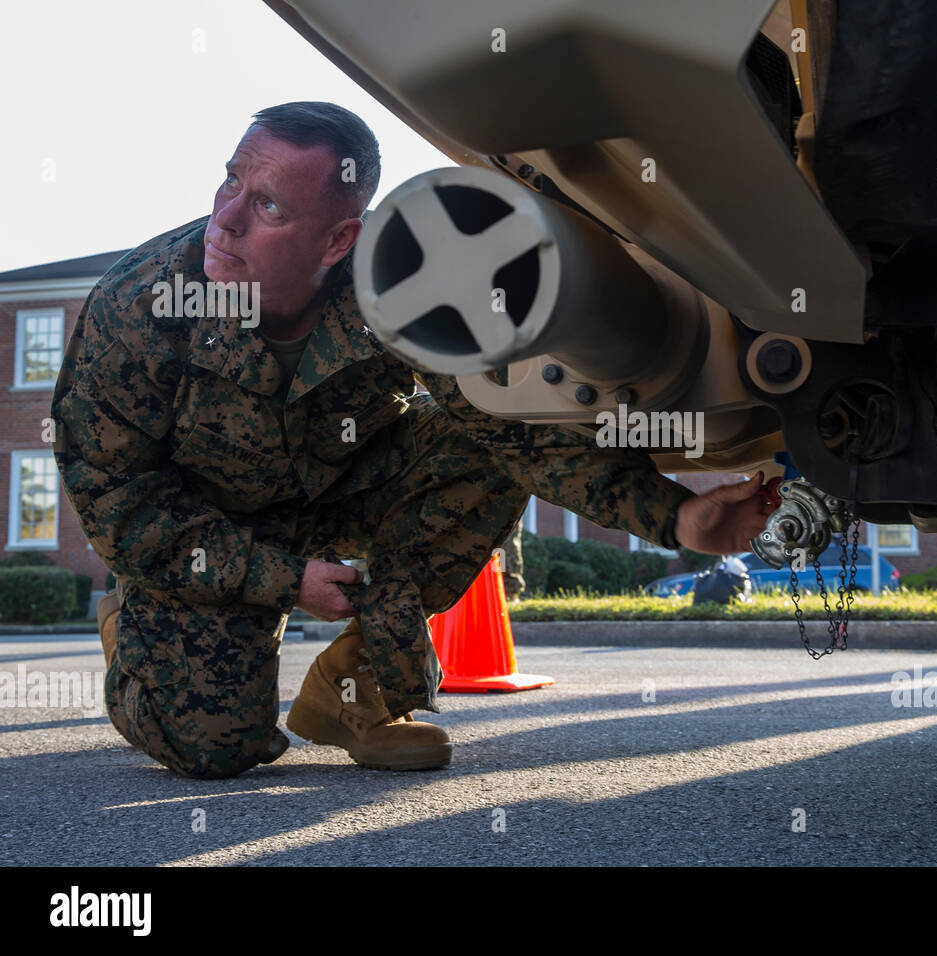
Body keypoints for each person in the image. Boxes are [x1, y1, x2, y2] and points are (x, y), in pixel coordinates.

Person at [53, 101, 779, 780]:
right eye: (230, 181)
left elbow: (510, 428)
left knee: (482, 450)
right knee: (211, 748)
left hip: (340, 488)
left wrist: (677, 518)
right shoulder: (142, 305)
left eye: (267, 205)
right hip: (205, 532)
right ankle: (137, 622)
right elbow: (117, 501)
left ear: (340, 239)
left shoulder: (398, 286)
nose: (226, 220)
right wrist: (284, 579)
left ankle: (357, 690)